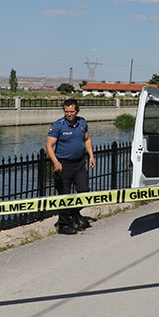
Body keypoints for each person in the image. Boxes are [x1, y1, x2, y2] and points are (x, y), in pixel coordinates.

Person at [46, 98, 96, 235]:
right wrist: (55, 162)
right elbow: (49, 146)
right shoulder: (58, 126)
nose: (69, 114)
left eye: (72, 111)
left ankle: (74, 212)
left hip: (79, 164)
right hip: (63, 165)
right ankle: (64, 225)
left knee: (84, 191)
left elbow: (87, 139)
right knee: (64, 195)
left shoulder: (82, 122)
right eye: (66, 111)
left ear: (77, 111)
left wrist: (91, 155)